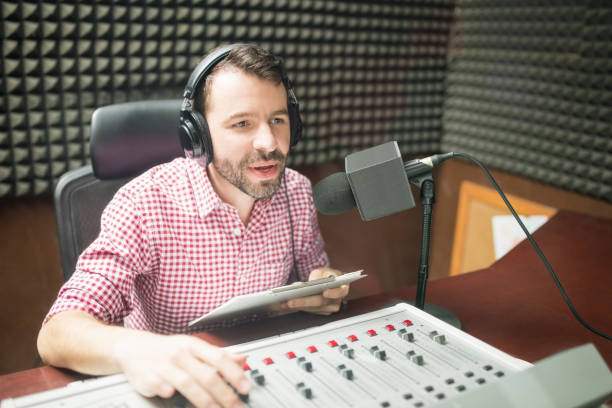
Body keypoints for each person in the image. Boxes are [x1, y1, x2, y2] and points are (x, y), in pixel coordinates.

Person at [37, 44, 350, 408]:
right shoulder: (143, 204)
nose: (268, 143)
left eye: (278, 120)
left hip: (266, 378)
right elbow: (57, 333)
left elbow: (313, 279)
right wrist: (135, 350)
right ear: (197, 135)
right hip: (177, 394)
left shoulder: (295, 191)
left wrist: (321, 291)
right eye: (242, 124)